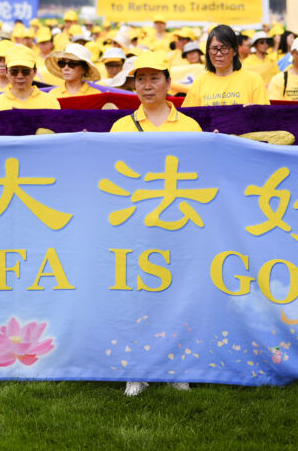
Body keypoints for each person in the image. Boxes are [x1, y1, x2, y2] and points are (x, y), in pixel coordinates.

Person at [111, 51, 198, 397]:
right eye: (140, 79)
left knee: (178, 294)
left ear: (167, 81)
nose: (147, 86)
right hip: (137, 223)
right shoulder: (121, 126)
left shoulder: (189, 126)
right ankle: (138, 369)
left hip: (179, 222)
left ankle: (177, 368)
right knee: (137, 296)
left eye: (154, 78)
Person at [183, 25, 269, 107]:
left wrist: (256, 112)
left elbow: (265, 116)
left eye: (224, 48)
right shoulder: (200, 82)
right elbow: (187, 116)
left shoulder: (254, 81)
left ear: (235, 51)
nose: (219, 54)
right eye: (214, 48)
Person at [0, 46, 60, 111]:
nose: (20, 76)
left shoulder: (50, 102)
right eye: (14, 71)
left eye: (25, 71)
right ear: (6, 72)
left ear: (35, 72)